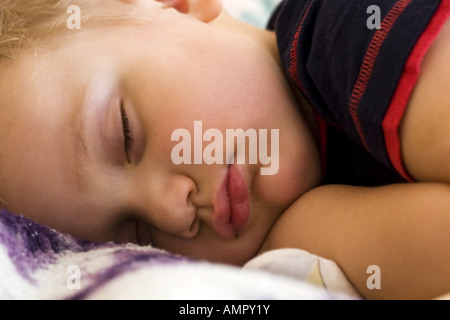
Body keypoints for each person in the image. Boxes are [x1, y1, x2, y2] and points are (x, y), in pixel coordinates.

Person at [0, 0, 448, 300]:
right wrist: (302, 231)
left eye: (125, 134)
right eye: (136, 234)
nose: (171, 211)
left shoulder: (344, 28)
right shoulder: (276, 252)